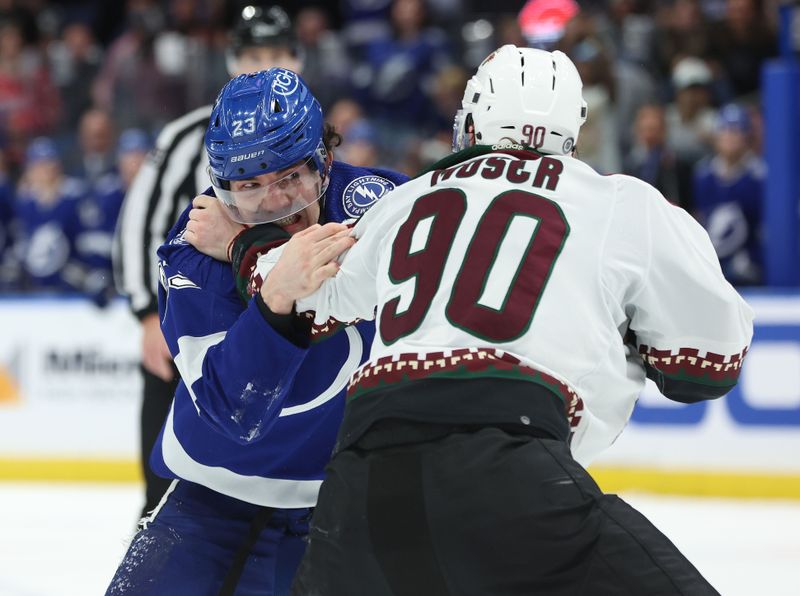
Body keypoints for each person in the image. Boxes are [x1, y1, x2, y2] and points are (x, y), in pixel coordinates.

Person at [277, 45, 754, 595]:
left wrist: (244, 244)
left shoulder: (405, 200)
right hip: (510, 467)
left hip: (360, 486)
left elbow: (297, 298)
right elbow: (710, 365)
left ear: (474, 119)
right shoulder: (621, 203)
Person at [105, 68, 407, 595]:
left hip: (344, 507)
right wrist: (273, 292)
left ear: (325, 161)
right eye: (249, 186)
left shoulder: (379, 204)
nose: (274, 202)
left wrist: (250, 251)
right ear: (222, 188)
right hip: (210, 505)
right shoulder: (193, 252)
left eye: (290, 178)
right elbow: (233, 410)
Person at [112, 4, 302, 520]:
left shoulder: (316, 138)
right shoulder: (184, 137)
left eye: (277, 54)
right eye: (253, 55)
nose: (264, 66)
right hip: (192, 318)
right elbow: (141, 223)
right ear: (231, 60)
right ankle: (158, 523)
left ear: (298, 61)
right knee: (168, 464)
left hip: (288, 316)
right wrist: (148, 314)